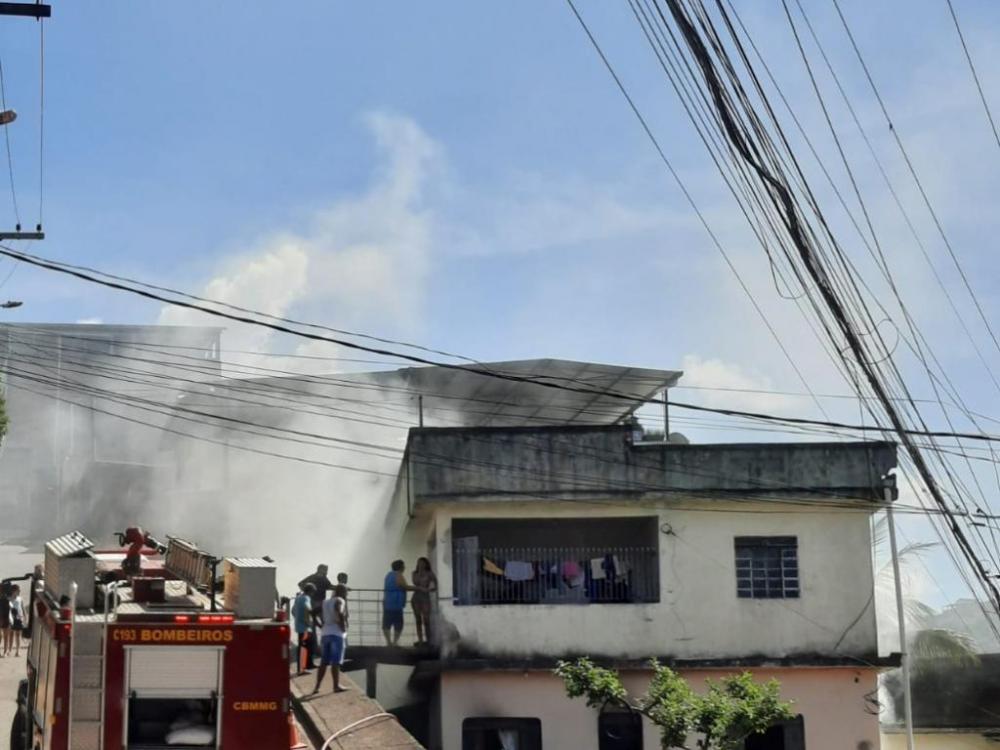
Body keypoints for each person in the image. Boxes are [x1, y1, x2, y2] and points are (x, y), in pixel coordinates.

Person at [312, 584, 348, 695]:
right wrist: (342, 627)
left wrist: (319, 625)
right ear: (343, 592)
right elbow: (339, 611)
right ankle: (336, 686)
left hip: (325, 634)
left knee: (324, 662)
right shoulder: (340, 600)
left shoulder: (325, 602)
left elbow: (313, 612)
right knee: (335, 662)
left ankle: (317, 687)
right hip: (336, 634)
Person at [298, 565, 332, 665]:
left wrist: (340, 587)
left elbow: (329, 586)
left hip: (320, 603)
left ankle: (320, 646)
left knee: (322, 624)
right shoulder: (313, 577)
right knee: (316, 624)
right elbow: (300, 584)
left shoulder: (324, 579)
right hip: (315, 602)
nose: (326, 572)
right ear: (321, 570)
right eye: (325, 570)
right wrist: (307, 593)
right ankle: (317, 647)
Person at [382, 559, 418, 647]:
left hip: (388, 602)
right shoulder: (398, 575)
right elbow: (403, 586)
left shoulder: (388, 575)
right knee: (398, 623)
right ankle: (394, 642)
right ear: (401, 567)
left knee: (387, 623)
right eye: (403, 566)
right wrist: (417, 588)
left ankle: (388, 642)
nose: (404, 567)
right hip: (396, 603)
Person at [411, 557, 438, 647]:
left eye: (422, 563)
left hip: (425, 598)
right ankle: (420, 640)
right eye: (419, 563)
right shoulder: (414, 573)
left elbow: (435, 585)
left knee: (426, 620)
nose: (421, 565)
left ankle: (429, 640)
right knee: (418, 620)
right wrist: (419, 572)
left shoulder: (430, 574)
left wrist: (430, 589)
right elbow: (415, 582)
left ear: (426, 564)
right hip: (416, 597)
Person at [291, 583, 314, 675]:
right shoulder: (306, 598)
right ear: (310, 591)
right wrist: (308, 622)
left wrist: (298, 618)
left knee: (301, 647)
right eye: (313, 592)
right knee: (304, 648)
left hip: (298, 626)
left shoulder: (298, 598)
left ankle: (300, 669)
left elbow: (293, 611)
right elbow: (307, 608)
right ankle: (302, 670)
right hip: (305, 627)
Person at [8, 585, 23, 657]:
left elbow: (22, 608)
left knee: (18, 635)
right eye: (18, 590)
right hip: (11, 618)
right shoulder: (9, 599)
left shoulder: (20, 599)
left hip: (19, 618)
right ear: (13, 591)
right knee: (11, 635)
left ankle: (17, 651)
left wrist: (24, 618)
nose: (20, 591)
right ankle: (9, 650)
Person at [0, 584, 10, 658]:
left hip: (5, 618)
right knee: (0, 635)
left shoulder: (5, 598)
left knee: (6, 636)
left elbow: (8, 609)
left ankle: (5, 651)